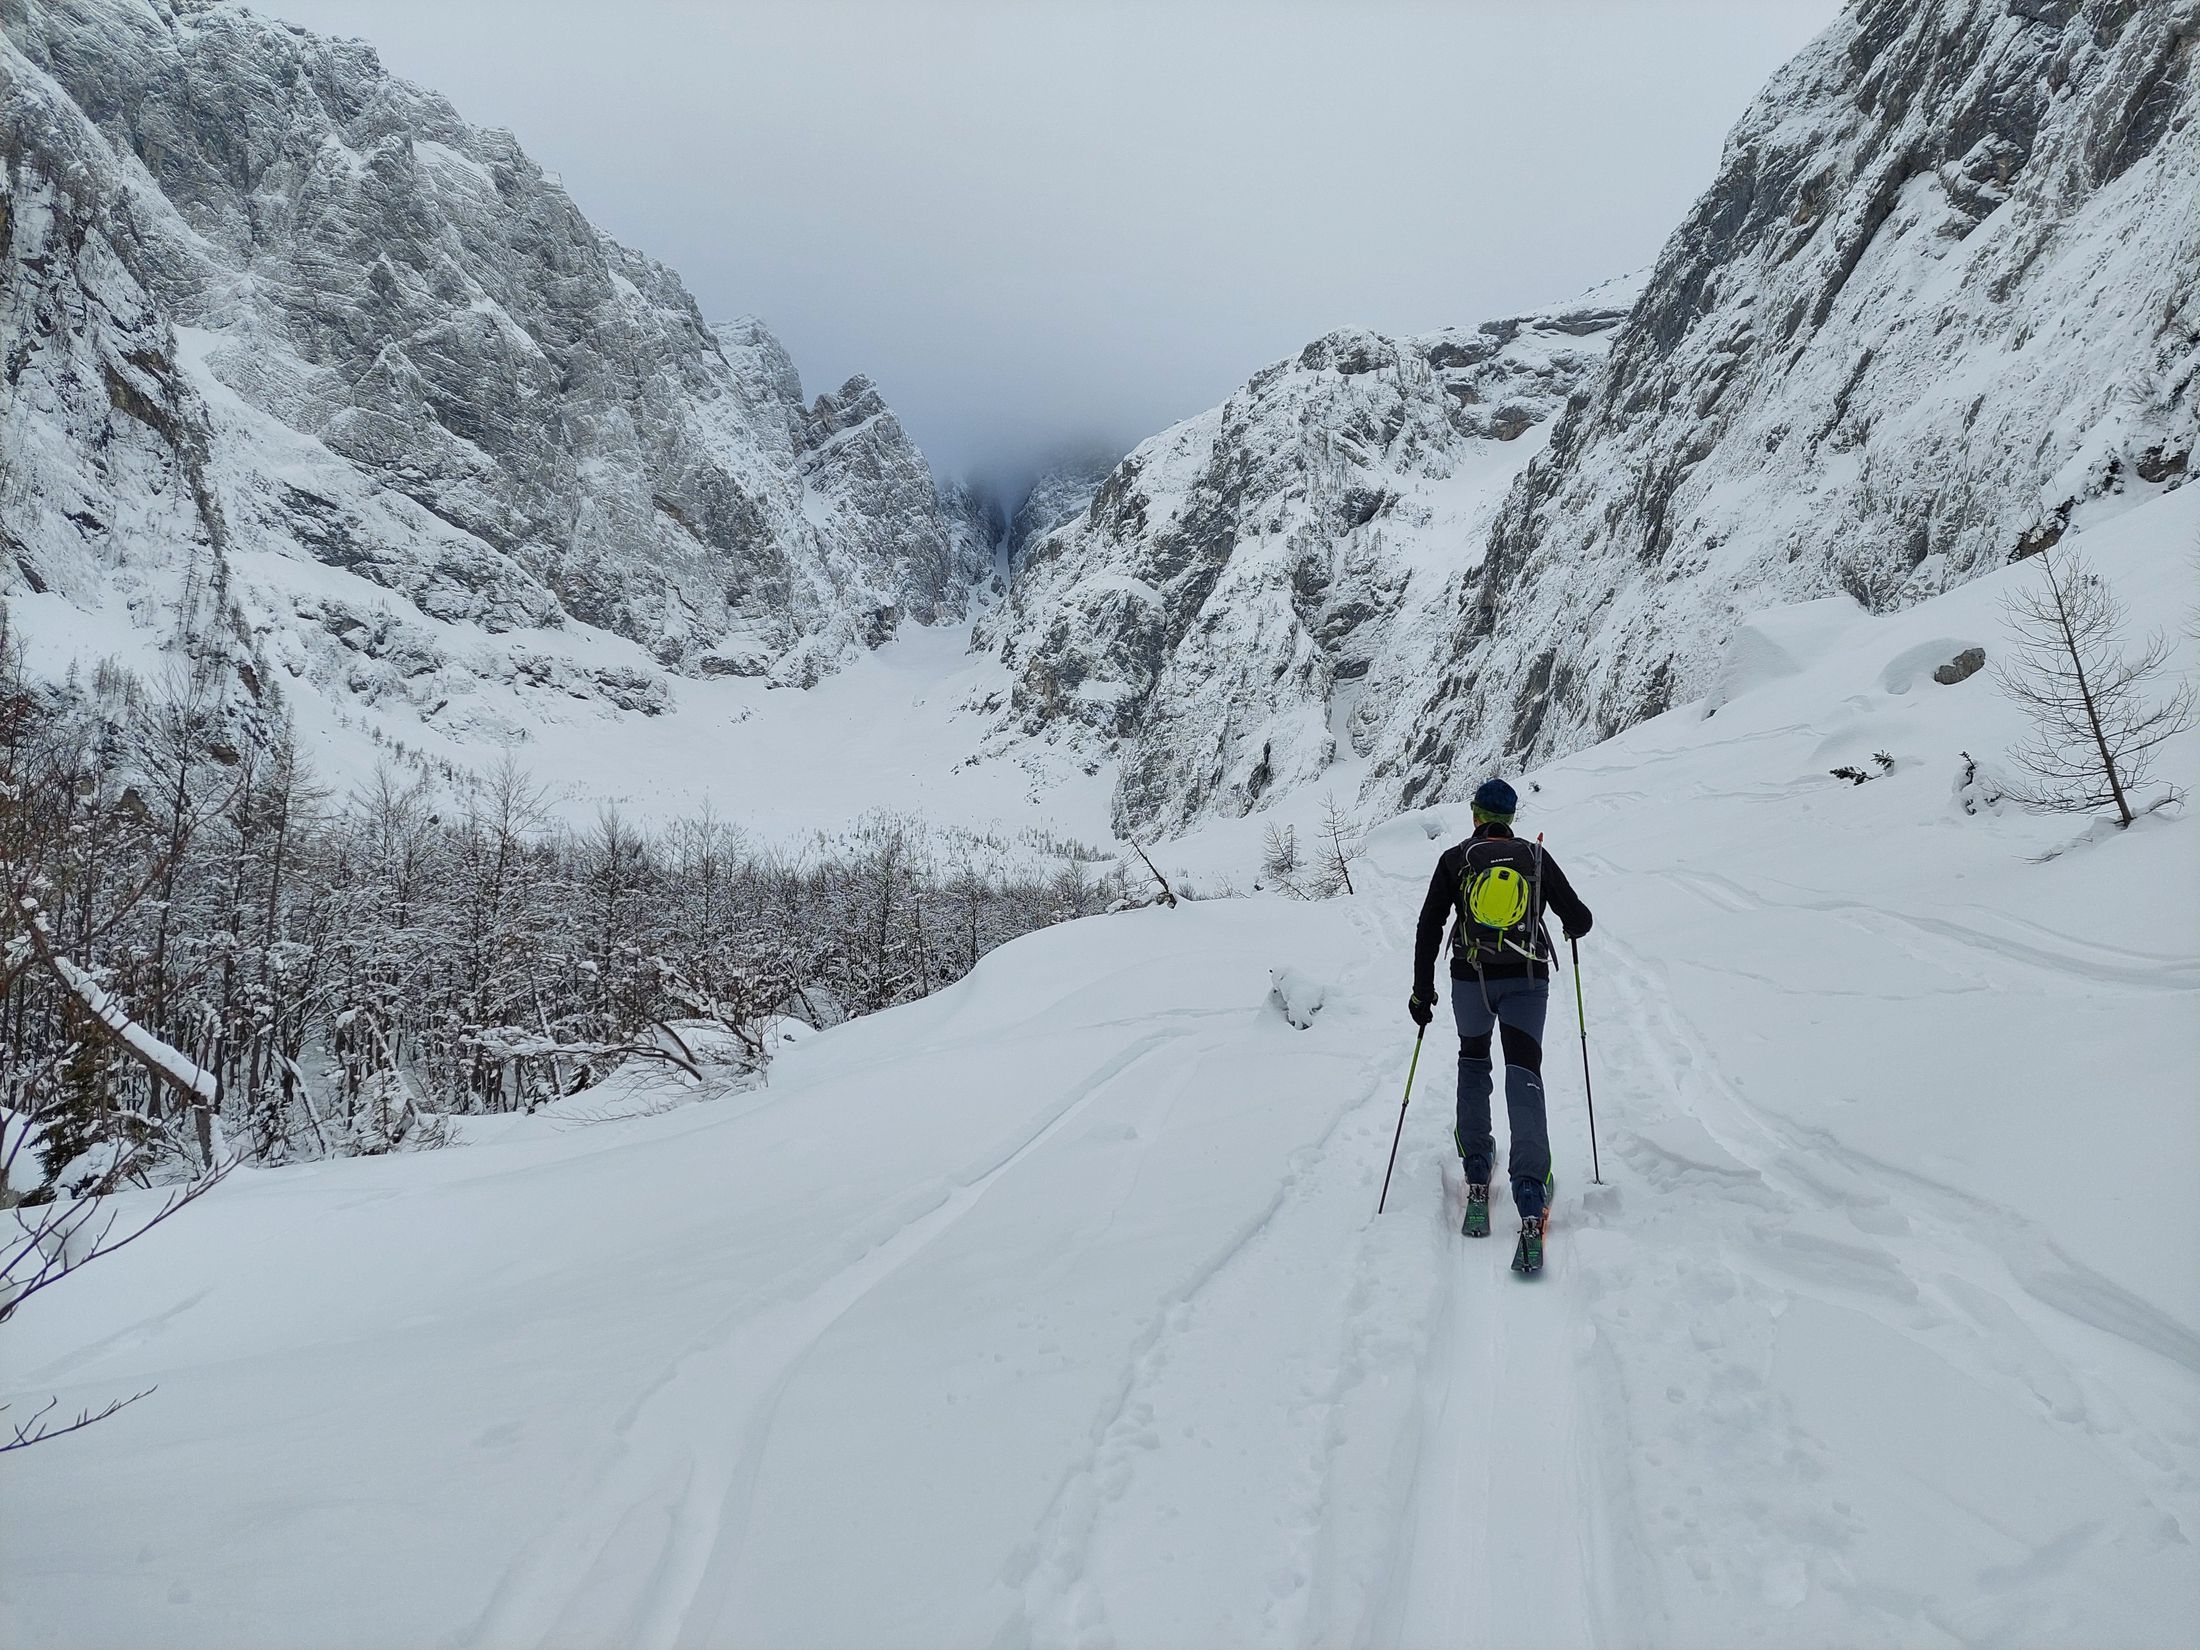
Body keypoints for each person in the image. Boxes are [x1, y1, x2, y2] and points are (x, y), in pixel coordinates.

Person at [1409, 777, 1592, 1240]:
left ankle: (1476, 1161)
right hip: (1528, 983)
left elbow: (1429, 926)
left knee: (1474, 1060)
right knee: (1522, 1071)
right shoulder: (1534, 857)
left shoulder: (1456, 860)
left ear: (1475, 815)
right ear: (1511, 818)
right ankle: (1530, 1186)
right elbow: (1580, 919)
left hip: (1470, 980)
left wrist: (1422, 990)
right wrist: (1569, 925)